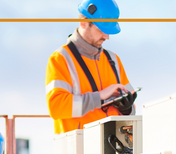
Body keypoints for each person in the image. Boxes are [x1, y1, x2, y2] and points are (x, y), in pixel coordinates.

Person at [45, 0, 137, 134]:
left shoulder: (114, 60)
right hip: (78, 150)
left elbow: (133, 110)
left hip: (113, 149)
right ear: (83, 22)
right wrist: (99, 97)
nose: (107, 36)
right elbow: (56, 108)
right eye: (101, 29)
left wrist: (127, 109)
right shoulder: (60, 58)